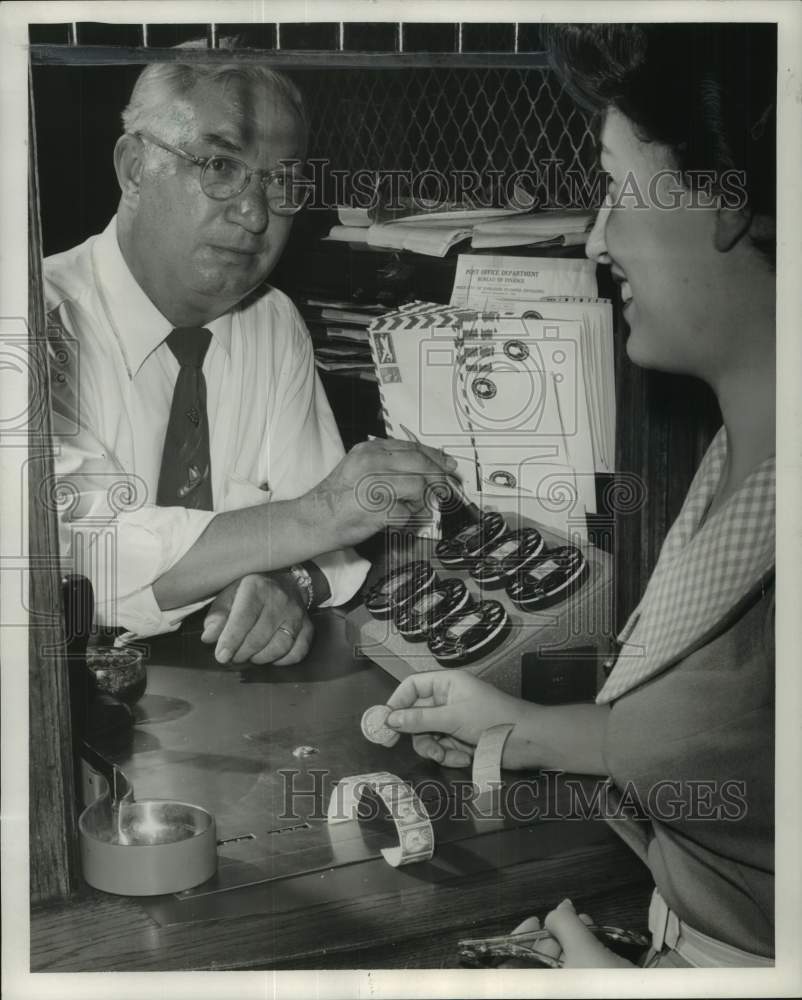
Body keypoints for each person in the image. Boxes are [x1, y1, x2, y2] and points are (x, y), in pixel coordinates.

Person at [385, 23, 776, 968]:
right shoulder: (742, 456)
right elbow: (750, 756)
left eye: (613, 189)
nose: (598, 239)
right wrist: (520, 731)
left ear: (722, 201)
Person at [44, 60, 455, 666]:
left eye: (283, 183)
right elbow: (78, 562)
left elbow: (326, 550)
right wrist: (312, 517)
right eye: (220, 167)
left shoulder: (272, 320)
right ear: (134, 169)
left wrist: (285, 582)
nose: (256, 214)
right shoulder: (31, 320)